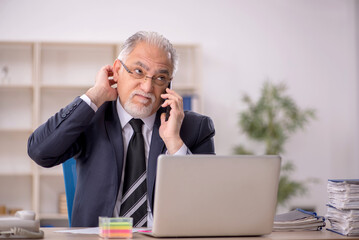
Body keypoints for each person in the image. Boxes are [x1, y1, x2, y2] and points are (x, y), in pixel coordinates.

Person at [27, 31, 215, 227]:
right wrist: (94, 96)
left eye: (160, 77)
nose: (147, 87)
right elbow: (39, 152)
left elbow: (207, 203)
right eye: (139, 71)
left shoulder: (194, 127)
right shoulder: (91, 117)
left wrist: (175, 143)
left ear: (169, 84)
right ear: (117, 70)